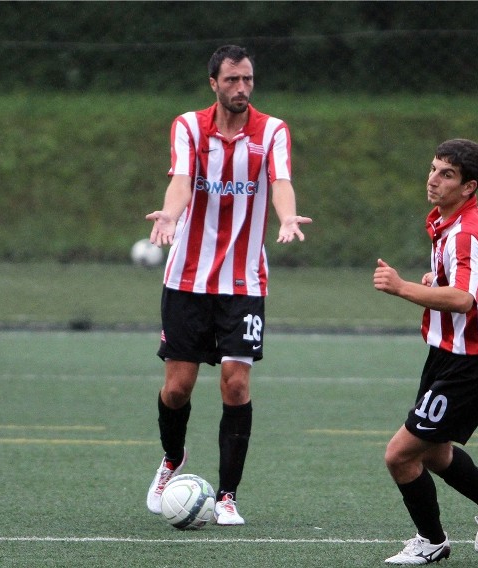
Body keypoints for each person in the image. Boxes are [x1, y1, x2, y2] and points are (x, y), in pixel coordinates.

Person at [144, 45, 312, 526]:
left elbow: (280, 182)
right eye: (232, 80)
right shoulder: (189, 127)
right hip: (186, 279)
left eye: (248, 80)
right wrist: (171, 215)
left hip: (244, 281)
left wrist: (286, 217)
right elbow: (180, 180)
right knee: (177, 389)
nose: (242, 88)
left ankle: (227, 496)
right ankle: (173, 459)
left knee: (235, 385)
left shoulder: (272, 131)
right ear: (213, 83)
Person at [373, 139, 478, 564]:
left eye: (446, 174)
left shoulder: (467, 231)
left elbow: (463, 300)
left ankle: (431, 541)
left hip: (469, 365)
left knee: (399, 455)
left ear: (469, 186)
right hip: (445, 356)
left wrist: (402, 288)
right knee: (433, 452)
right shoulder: (449, 222)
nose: (433, 179)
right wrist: (441, 276)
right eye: (433, 169)